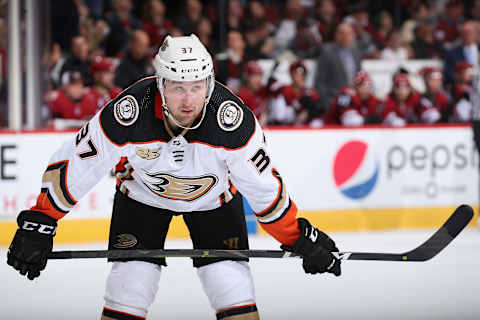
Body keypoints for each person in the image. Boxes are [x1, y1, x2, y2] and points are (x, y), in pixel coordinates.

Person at [7, 34, 341, 320]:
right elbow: (78, 164)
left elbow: (265, 190)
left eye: (197, 87)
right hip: (142, 197)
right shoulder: (128, 113)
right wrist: (41, 220)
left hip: (215, 201)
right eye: (178, 87)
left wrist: (298, 237)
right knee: (129, 285)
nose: (188, 100)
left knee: (231, 286)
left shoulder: (234, 123)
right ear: (160, 84)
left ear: (209, 83)